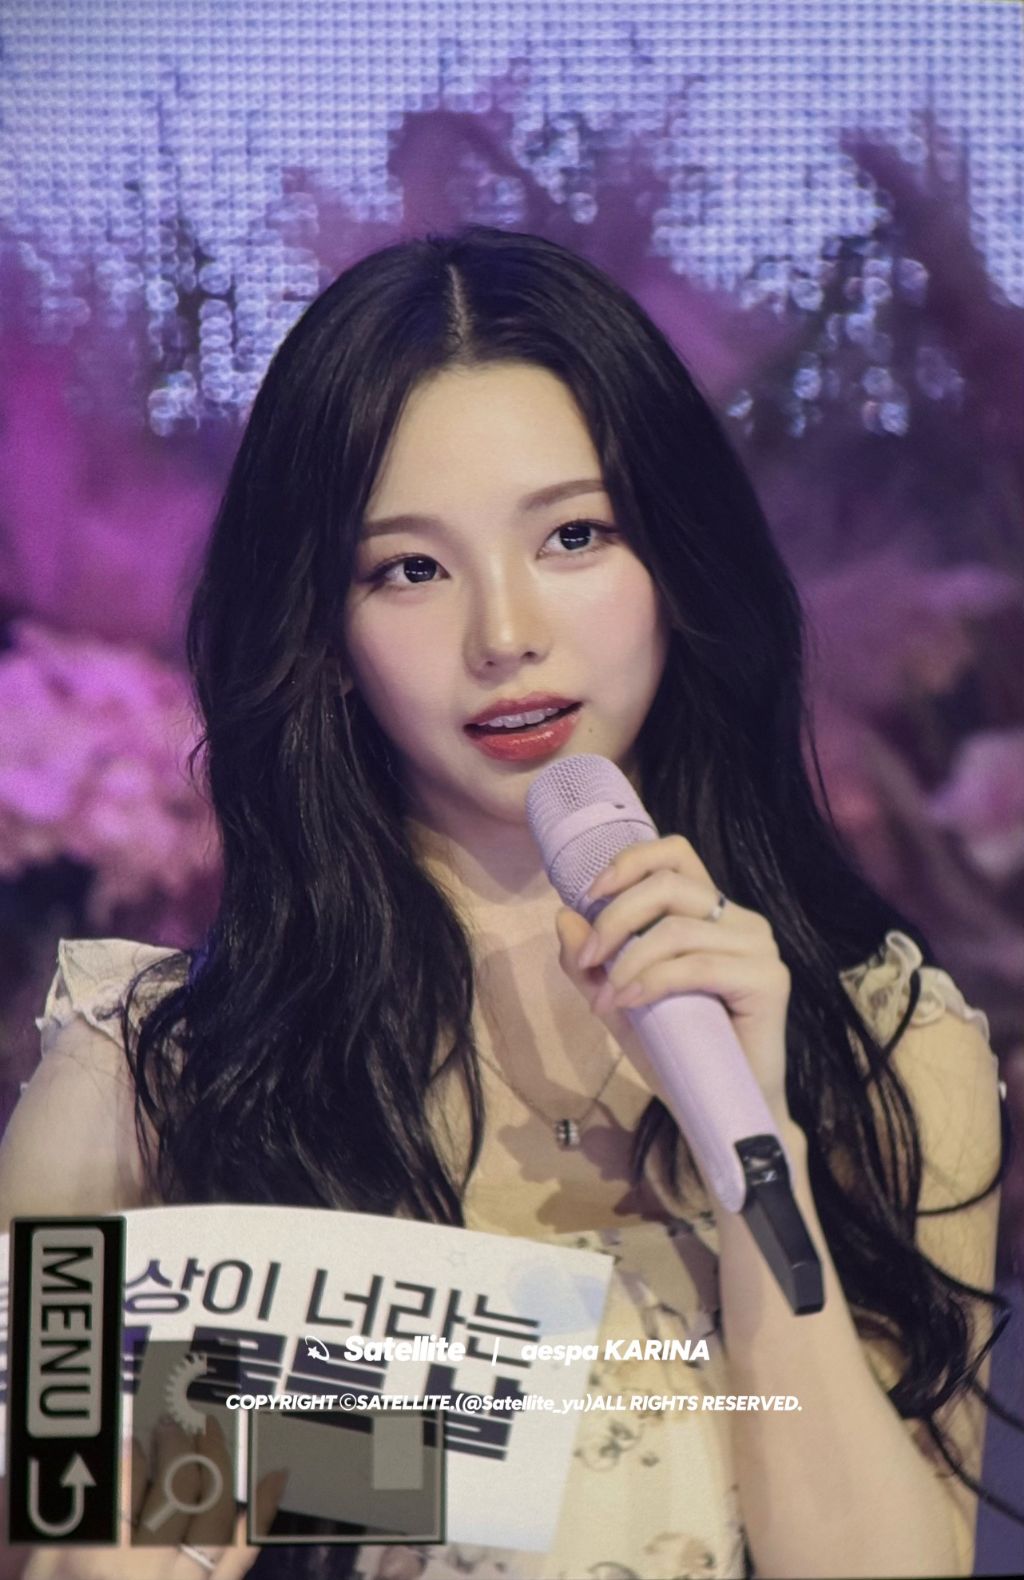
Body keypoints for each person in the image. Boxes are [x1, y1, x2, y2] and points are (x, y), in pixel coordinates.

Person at [0, 225, 1014, 1580]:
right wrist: (215, 1466)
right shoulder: (137, 1073)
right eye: (409, 569)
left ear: (678, 566)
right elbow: (60, 1537)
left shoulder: (891, 1051)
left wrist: (753, 1142)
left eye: (575, 536)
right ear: (325, 631)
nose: (505, 635)